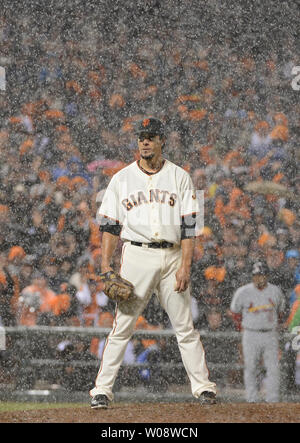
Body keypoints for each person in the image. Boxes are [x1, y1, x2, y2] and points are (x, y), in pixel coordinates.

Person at [89, 117, 217, 408]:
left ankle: (203, 387)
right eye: (141, 137)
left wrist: (185, 265)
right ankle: (101, 390)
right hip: (137, 255)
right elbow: (109, 226)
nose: (145, 141)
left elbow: (189, 228)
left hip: (173, 256)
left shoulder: (180, 177)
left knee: (184, 326)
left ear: (162, 141)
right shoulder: (121, 178)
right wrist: (106, 266)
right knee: (122, 326)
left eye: (151, 136)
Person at [230, 261, 285, 403]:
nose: (259, 278)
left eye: (262, 275)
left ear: (267, 276)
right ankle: (251, 399)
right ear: (252, 276)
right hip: (250, 333)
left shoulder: (275, 291)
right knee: (250, 367)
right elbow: (234, 312)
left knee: (273, 368)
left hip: (270, 333)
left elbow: (281, 312)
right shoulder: (243, 292)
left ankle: (272, 399)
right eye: (256, 275)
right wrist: (241, 327)